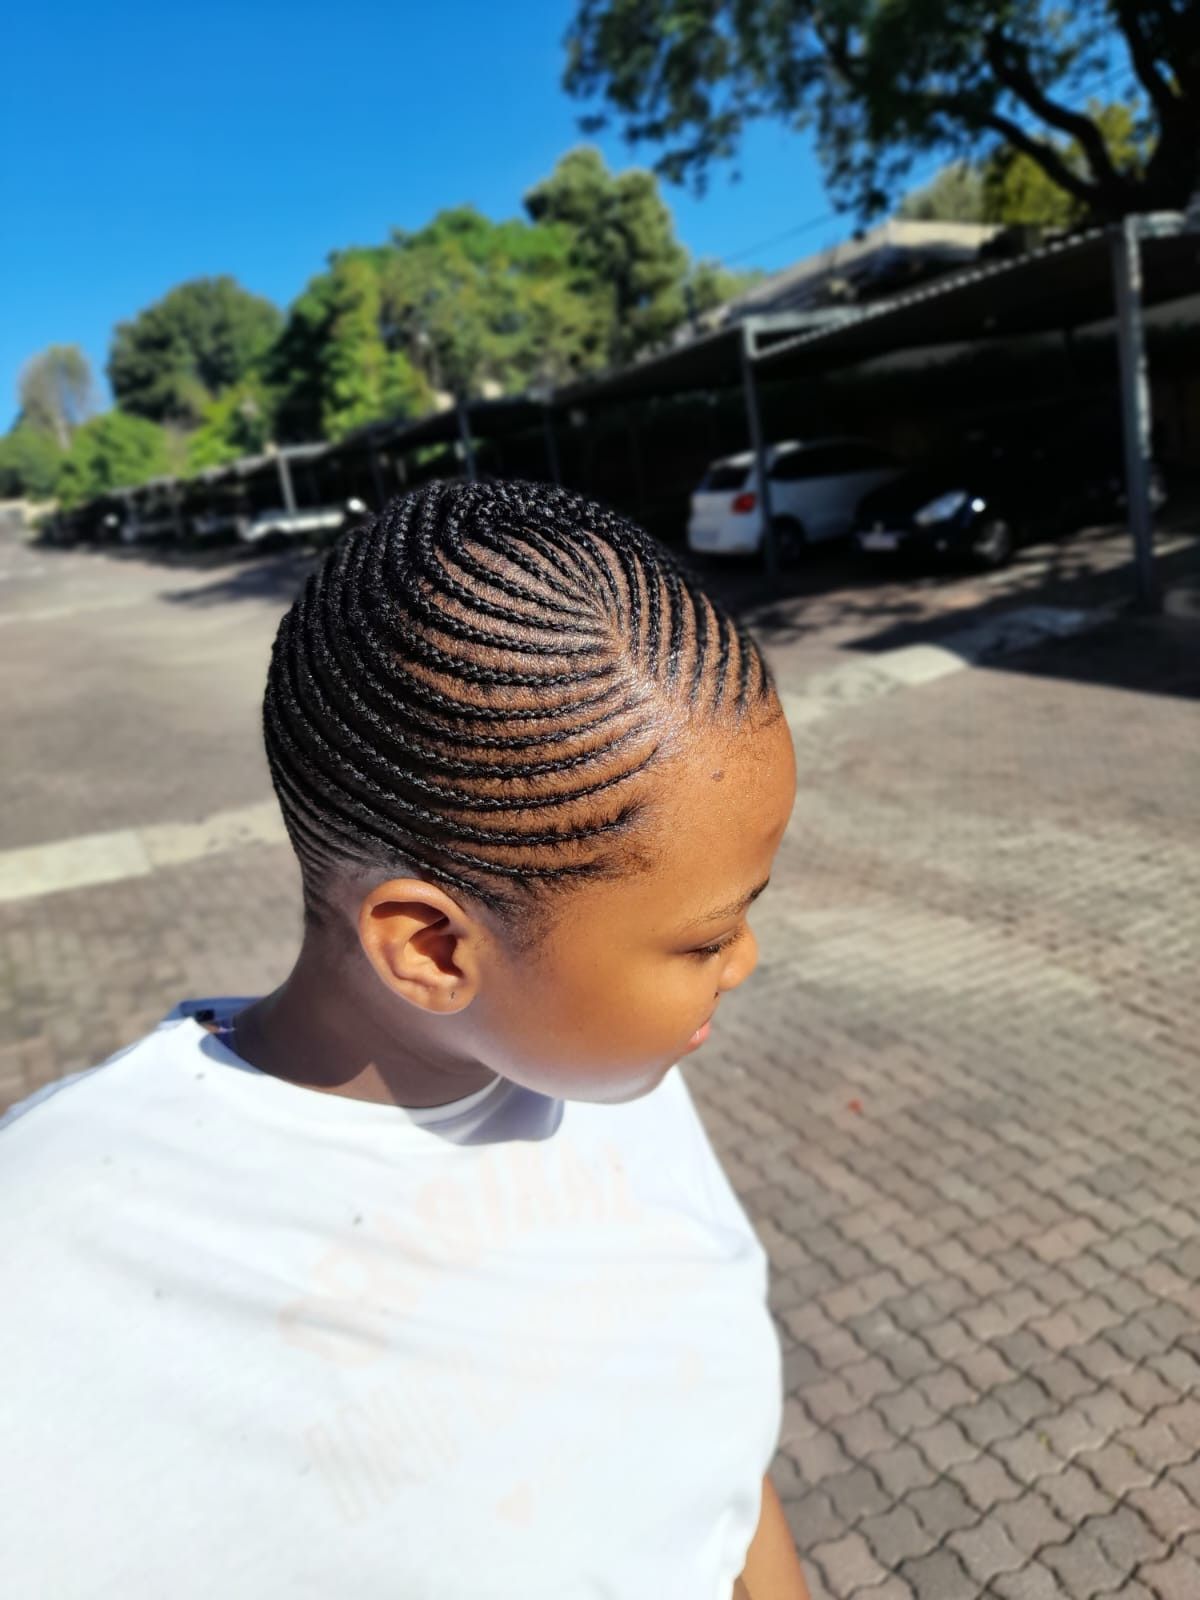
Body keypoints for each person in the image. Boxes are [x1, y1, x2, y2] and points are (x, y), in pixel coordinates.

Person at [0, 479, 808, 1599]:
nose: (746, 960)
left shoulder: (611, 1083)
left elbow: (724, 1475)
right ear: (430, 948)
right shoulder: (48, 1259)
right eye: (707, 938)